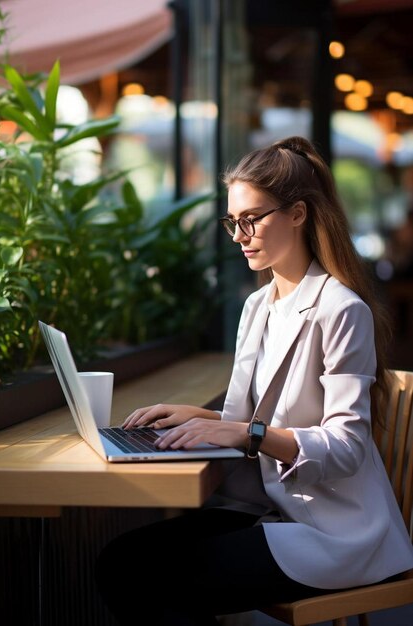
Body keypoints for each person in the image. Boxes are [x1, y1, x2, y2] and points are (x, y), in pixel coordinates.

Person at [95, 136, 413, 625]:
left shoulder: (341, 309)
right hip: (274, 508)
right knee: (119, 562)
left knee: (153, 580)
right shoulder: (257, 306)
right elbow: (251, 420)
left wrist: (244, 432)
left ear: (299, 214)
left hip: (334, 530)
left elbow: (347, 445)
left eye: (252, 219)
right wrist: (201, 417)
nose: (240, 235)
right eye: (232, 222)